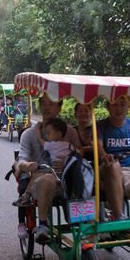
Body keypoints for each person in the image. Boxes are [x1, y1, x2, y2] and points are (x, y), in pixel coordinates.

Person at [15, 93, 82, 244]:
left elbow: (79, 152)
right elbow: (22, 159)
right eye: (43, 103)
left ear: (59, 107)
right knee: (47, 180)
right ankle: (42, 224)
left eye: (51, 103)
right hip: (42, 179)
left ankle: (90, 222)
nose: (46, 107)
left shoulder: (70, 132)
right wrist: (26, 165)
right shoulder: (29, 134)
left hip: (67, 180)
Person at [13, 118, 73, 206]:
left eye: (49, 133)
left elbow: (41, 140)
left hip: (54, 173)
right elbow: (77, 153)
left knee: (38, 173)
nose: (47, 136)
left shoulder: (51, 145)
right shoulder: (68, 145)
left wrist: (37, 129)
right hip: (66, 174)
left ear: (58, 134)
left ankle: (26, 196)